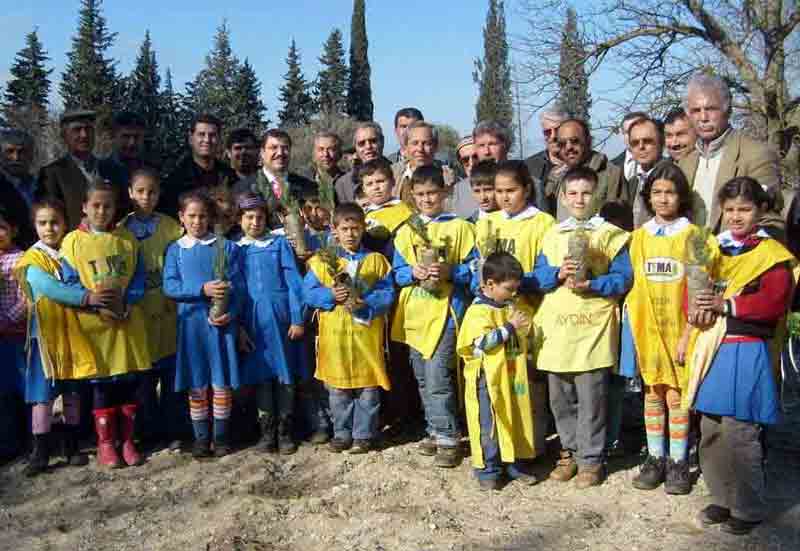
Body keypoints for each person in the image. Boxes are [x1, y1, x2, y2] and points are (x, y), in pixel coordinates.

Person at [686, 177, 796, 535]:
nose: (736, 216)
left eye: (745, 209)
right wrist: (697, 309)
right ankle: (721, 496)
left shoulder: (772, 256)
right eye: (730, 209)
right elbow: (699, 293)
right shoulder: (714, 250)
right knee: (711, 427)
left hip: (748, 349)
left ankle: (747, 506)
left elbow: (774, 302)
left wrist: (726, 304)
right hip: (715, 348)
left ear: (761, 211)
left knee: (741, 430)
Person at [535, 166, 633, 488]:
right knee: (560, 395)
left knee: (592, 394)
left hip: (593, 323)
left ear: (598, 196)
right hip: (557, 326)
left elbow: (623, 278)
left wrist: (594, 283)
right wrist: (558, 274)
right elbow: (538, 276)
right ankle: (569, 452)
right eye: (572, 193)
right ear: (563, 197)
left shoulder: (611, 235)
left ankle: (591, 459)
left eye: (586, 193)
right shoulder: (552, 234)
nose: (579, 199)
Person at [620, 161, 714, 494]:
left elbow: (702, 287)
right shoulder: (639, 237)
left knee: (677, 398)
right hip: (647, 331)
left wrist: (690, 332)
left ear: (681, 196)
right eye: (657, 192)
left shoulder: (695, 236)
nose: (663, 199)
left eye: (670, 192)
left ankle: (678, 462)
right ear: (648, 196)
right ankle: (655, 457)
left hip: (680, 331)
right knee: (652, 395)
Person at [59, 179, 152, 468]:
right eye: (95, 205)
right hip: (95, 325)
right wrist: (90, 299)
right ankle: (105, 444)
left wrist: (128, 300)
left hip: (126, 322)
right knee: (102, 387)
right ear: (84, 207)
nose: (101, 211)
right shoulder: (73, 242)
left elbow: (139, 276)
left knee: (128, 384)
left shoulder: (126, 239)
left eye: (107, 205)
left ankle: (127, 441)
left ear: (115, 208)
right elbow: (70, 280)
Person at [392, 165, 476, 467]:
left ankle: (449, 437)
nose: (427, 199)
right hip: (415, 313)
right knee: (422, 377)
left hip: (445, 310)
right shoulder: (406, 230)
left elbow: (475, 269)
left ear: (445, 192)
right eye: (421, 194)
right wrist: (412, 272)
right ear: (412, 196)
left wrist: (452, 271)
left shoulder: (461, 227)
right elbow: (397, 272)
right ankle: (433, 427)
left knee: (438, 375)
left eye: (433, 193)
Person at [472, 160, 556, 458]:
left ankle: (533, 445)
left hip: (526, 314)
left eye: (511, 190)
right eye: (499, 191)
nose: (504, 197)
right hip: (493, 317)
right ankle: (502, 447)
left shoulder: (543, 223)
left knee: (529, 382)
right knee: (499, 384)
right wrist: (478, 283)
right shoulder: (487, 223)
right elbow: (476, 266)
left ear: (527, 189)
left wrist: (522, 282)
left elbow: (550, 271)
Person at [14, 199, 103, 475]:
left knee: (72, 389)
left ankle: (72, 444)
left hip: (72, 334)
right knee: (43, 395)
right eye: (42, 223)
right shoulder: (32, 259)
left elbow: (76, 278)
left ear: (65, 224)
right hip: (45, 338)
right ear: (34, 226)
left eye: (55, 222)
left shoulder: (66, 254)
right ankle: (40, 451)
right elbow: (52, 289)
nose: (49, 228)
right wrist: (86, 297)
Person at [305, 203, 396, 453]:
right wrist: (330, 295)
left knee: (368, 388)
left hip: (365, 337)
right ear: (334, 230)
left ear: (364, 228)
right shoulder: (323, 261)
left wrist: (365, 304)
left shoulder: (376, 261)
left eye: (355, 228)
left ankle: (364, 434)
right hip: (335, 338)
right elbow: (308, 292)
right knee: (338, 389)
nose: (350, 234)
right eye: (345, 228)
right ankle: (342, 433)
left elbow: (387, 293)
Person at [163, 191, 246, 459]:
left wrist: (230, 313)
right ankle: (200, 438)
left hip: (220, 326)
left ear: (210, 218)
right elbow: (170, 286)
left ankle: (220, 437)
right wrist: (202, 288)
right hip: (191, 327)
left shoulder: (225, 247)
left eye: (202, 216)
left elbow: (240, 287)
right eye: (192, 216)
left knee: (220, 383)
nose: (197, 221)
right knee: (197, 383)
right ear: (181, 218)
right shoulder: (176, 250)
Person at [457, 251, 538, 490]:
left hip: (512, 376)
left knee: (516, 417)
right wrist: (510, 328)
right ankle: (488, 468)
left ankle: (513, 462)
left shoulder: (510, 305)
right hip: (488, 380)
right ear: (490, 284)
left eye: (516, 289)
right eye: (509, 289)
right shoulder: (478, 311)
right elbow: (481, 342)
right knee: (489, 423)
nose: (514, 294)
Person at [120, 168, 189, 449]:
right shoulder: (121, 229)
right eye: (140, 191)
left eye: (152, 192)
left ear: (159, 195)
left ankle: (174, 428)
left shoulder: (171, 226)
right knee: (143, 376)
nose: (146, 197)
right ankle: (148, 430)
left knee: (170, 372)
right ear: (130, 193)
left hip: (168, 307)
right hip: (137, 311)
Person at [235, 193, 305, 455]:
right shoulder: (236, 249)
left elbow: (293, 282)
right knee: (262, 375)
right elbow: (236, 290)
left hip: (281, 317)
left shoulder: (278, 244)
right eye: (249, 217)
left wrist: (297, 317)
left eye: (260, 217)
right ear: (240, 219)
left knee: (285, 373)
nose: (255, 222)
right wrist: (239, 327)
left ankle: (285, 430)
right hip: (253, 321)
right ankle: (266, 430)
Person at [678, 73, 782, 232]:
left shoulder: (757, 155)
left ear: (728, 110)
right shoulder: (685, 161)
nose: (703, 117)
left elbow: (770, 223)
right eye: (696, 110)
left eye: (711, 109)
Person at [37, 110, 121, 229]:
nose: (84, 135)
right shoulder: (51, 173)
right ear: (64, 135)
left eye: (88, 129)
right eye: (77, 130)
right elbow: (49, 216)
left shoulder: (112, 169)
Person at [232, 129, 316, 230]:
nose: (280, 153)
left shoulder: (308, 187)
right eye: (273, 148)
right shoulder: (242, 188)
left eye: (285, 148)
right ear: (262, 153)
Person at [548, 118, 627, 221]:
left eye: (574, 141)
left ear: (588, 141)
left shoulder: (611, 174)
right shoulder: (555, 175)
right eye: (562, 144)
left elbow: (621, 220)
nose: (568, 147)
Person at [161, 113, 237, 216]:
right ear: (191, 139)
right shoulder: (175, 179)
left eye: (212, 135)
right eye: (201, 134)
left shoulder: (230, 176)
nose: (207, 140)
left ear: (219, 139)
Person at [0, 208, 26, 463]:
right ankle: (8, 440)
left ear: (13, 230)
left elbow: (27, 299)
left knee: (20, 385)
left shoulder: (20, 259)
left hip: (16, 335)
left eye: (2, 228)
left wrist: (7, 320)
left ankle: (30, 437)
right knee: (3, 390)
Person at [361, 158, 413, 259]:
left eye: (380, 181)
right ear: (364, 189)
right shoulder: (362, 214)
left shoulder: (404, 211)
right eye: (369, 184)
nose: (376, 187)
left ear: (393, 182)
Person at [392, 121, 453, 205]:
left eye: (426, 143)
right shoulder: (392, 175)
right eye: (415, 143)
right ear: (406, 146)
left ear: (435, 146)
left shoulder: (448, 179)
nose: (420, 149)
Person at [525, 109, 569, 215]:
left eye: (558, 130)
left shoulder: (583, 164)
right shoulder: (529, 166)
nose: (553, 136)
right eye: (547, 132)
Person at [625, 117, 665, 228]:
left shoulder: (672, 177)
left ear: (661, 143)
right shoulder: (632, 182)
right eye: (635, 143)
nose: (641, 147)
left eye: (647, 141)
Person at [0, 129, 36, 246]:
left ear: (31, 155)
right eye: (10, 151)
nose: (16, 157)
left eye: (22, 152)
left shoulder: (42, 185)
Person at [335, 122, 385, 204]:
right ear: (356, 147)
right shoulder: (343, 185)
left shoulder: (398, 173)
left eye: (373, 141)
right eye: (362, 143)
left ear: (382, 141)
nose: (368, 146)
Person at [611, 111, 648, 181]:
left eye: (637, 130)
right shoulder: (611, 166)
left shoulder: (664, 165)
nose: (632, 136)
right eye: (628, 132)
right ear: (623, 134)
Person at [450, 136, 480, 218]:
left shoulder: (500, 183)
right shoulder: (457, 189)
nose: (472, 163)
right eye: (465, 160)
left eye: (476, 157)